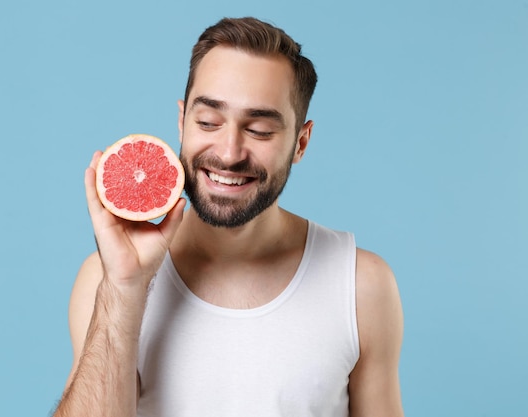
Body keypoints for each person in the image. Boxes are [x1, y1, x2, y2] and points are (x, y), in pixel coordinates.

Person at [53, 17, 404, 417]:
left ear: (301, 143)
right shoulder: (106, 279)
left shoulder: (361, 285)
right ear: (182, 122)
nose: (229, 151)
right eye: (208, 122)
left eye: (259, 130)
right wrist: (125, 287)